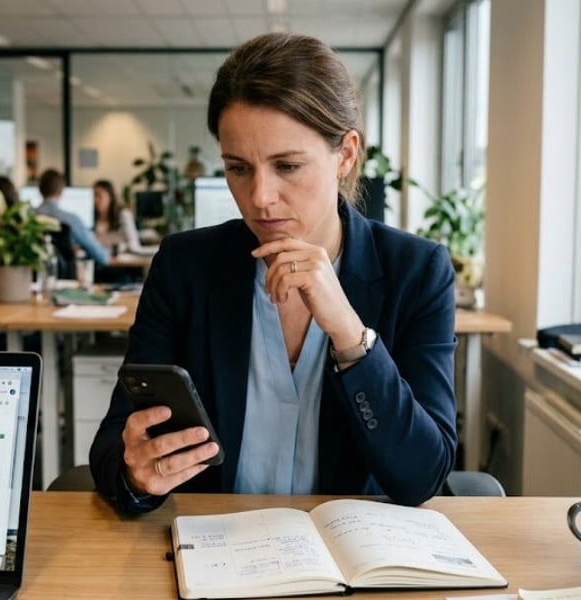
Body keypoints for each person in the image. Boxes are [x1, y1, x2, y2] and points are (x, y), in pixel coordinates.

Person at [90, 32, 458, 514]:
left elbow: (422, 476)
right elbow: (112, 446)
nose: (260, 197)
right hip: (216, 539)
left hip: (346, 548)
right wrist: (136, 474)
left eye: (287, 166)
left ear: (346, 154)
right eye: (239, 168)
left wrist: (350, 335)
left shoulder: (417, 271)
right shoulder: (185, 266)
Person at [36, 169, 109, 267]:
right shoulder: (72, 220)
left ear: (40, 190)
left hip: (31, 275)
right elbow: (102, 257)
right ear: (61, 191)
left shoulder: (27, 220)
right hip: (66, 276)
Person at [92, 179, 157, 257]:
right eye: (93, 196)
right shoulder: (91, 217)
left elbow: (133, 246)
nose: (95, 200)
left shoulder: (123, 214)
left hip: (122, 260)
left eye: (99, 195)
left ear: (110, 197)